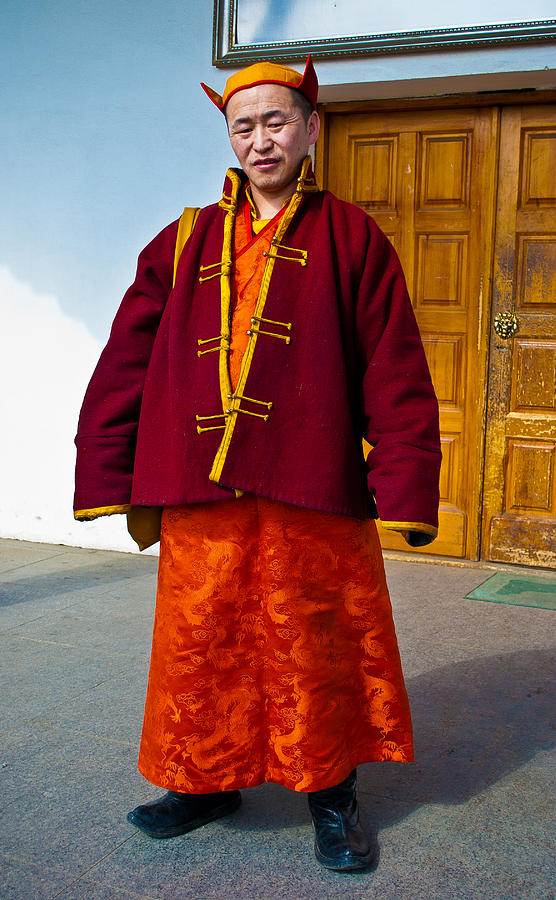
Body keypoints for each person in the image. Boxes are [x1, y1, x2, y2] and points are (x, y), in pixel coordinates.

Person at [74, 57, 441, 872]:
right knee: (202, 645)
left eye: (277, 122)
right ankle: (204, 781)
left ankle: (331, 795)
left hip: (309, 486)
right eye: (245, 126)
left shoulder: (353, 237)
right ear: (230, 139)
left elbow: (394, 367)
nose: (261, 139)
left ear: (310, 128)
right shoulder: (184, 238)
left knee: (315, 643)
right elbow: (124, 361)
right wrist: (103, 466)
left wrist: (407, 478)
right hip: (199, 483)